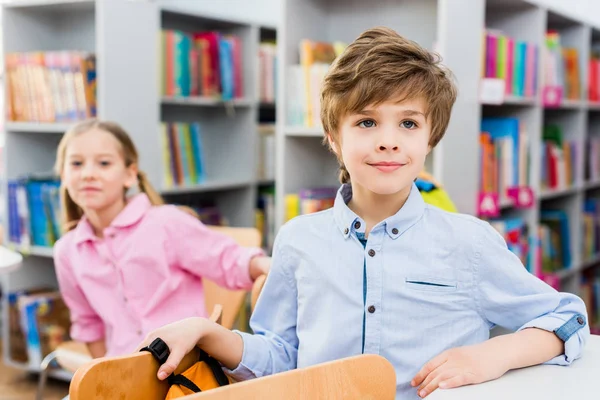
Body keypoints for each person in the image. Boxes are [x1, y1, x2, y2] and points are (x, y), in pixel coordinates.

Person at [137, 27, 589, 399]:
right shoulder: (298, 240)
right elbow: (281, 360)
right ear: (333, 136)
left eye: (408, 123)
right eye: (366, 122)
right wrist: (204, 331)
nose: (388, 140)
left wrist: (492, 355)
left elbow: (568, 319)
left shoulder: (468, 242)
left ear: (429, 139)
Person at [53, 119, 270, 359]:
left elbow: (227, 260)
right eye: (76, 164)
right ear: (63, 175)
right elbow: (88, 323)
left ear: (129, 174)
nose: (88, 174)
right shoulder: (66, 251)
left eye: (104, 163)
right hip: (125, 372)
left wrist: (263, 265)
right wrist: (106, 378)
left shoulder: (165, 223)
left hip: (185, 366)